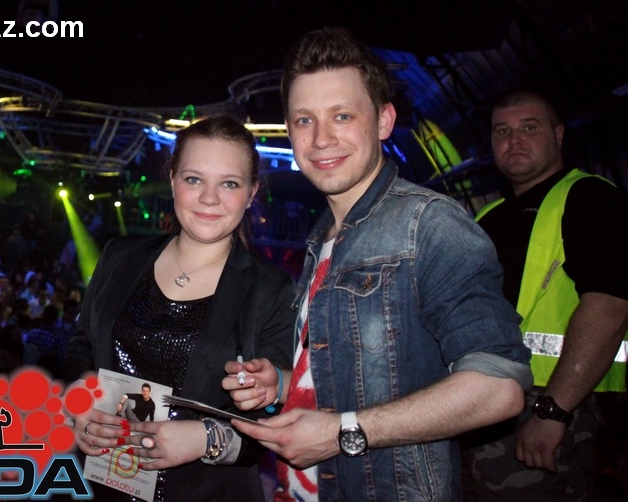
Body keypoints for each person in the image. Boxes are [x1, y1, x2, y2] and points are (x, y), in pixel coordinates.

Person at [221, 27, 533, 501]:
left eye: (342, 115)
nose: (321, 138)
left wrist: (342, 432)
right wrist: (283, 383)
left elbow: (499, 387)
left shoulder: (429, 223)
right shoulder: (321, 237)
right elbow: (355, 377)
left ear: (384, 120)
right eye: (304, 120)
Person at [62, 115, 295, 501]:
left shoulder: (271, 291)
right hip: (100, 482)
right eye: (194, 179)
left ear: (252, 192)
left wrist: (205, 439)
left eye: (229, 183)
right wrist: (79, 400)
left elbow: (274, 417)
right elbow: (81, 347)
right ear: (172, 179)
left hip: (205, 493)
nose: (209, 198)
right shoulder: (120, 256)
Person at [461, 89, 628, 500]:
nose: (514, 140)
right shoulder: (488, 217)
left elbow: (610, 306)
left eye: (529, 127)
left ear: (558, 134)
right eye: (502, 131)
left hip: (548, 401)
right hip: (486, 402)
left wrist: (554, 410)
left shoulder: (590, 198)